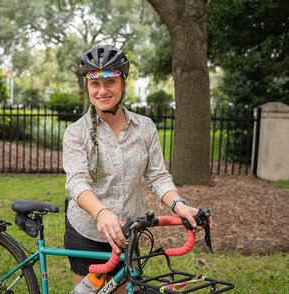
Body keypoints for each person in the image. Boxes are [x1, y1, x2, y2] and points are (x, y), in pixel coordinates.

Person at [63, 44, 212, 292]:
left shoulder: (144, 127)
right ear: (87, 87)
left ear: (123, 83)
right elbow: (77, 182)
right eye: (94, 83)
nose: (102, 91)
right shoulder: (76, 133)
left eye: (109, 82)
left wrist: (181, 206)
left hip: (128, 234)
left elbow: (157, 176)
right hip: (86, 234)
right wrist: (102, 214)